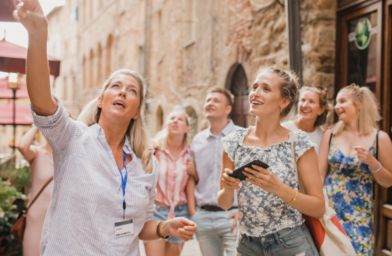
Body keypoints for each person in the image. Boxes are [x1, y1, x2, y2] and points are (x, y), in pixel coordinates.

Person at [13, 1, 196, 255]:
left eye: (132, 91)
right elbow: (42, 101)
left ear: (137, 111)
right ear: (101, 100)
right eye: (116, 86)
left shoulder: (145, 165)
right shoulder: (73, 139)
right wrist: (37, 35)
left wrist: (166, 227)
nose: (123, 91)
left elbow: (140, 226)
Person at [218, 67, 325, 256]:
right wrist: (227, 187)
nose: (255, 93)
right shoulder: (234, 141)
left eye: (266, 89)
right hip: (247, 246)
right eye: (254, 87)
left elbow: (318, 208)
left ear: (284, 101)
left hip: (291, 244)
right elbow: (225, 204)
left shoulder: (299, 143)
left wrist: (279, 189)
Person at [319, 84, 392, 255]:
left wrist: (372, 162)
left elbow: (388, 181)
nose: (337, 107)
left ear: (359, 105)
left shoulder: (380, 138)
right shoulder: (330, 134)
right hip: (330, 211)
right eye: (336, 102)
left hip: (360, 215)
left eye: (342, 101)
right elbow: (320, 173)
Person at [186, 86, 240, 256]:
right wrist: (194, 214)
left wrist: (244, 211)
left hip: (233, 217)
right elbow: (192, 177)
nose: (210, 103)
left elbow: (253, 177)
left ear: (228, 109)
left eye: (216, 101)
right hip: (203, 218)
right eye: (208, 100)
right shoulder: (197, 140)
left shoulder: (242, 136)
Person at [144, 109, 192, 256]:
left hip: (180, 213)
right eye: (172, 118)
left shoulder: (191, 153)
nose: (175, 121)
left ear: (187, 128)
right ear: (166, 124)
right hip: (156, 212)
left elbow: (193, 183)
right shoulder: (153, 149)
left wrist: (195, 172)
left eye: (180, 119)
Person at [17, 126, 53, 256]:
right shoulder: (37, 153)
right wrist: (39, 123)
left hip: (59, 221)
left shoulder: (68, 157)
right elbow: (22, 146)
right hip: (36, 220)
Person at [281, 85, 331, 154]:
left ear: (321, 110)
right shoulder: (284, 128)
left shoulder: (322, 135)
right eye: (302, 100)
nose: (305, 105)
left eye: (311, 102)